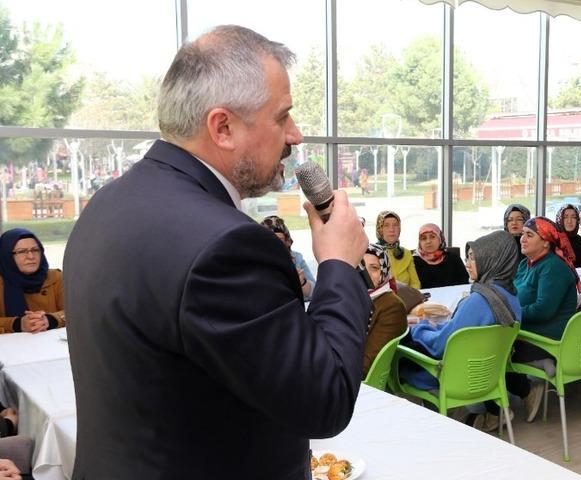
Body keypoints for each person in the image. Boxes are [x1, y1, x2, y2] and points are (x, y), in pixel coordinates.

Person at [63, 26, 372, 479]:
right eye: (282, 117)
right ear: (223, 127)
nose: (296, 135)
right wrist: (339, 265)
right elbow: (324, 398)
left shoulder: (109, 204)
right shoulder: (225, 247)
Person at [402, 230, 521, 431]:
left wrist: (420, 327)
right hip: (489, 376)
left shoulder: (479, 300)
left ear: (492, 260)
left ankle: (434, 421)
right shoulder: (512, 298)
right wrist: (437, 327)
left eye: (474, 258)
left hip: (454, 377)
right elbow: (461, 334)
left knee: (401, 355)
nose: (467, 263)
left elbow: (442, 345)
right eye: (468, 257)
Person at [512, 217, 581, 423]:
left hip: (548, 336)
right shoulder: (527, 263)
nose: (522, 239)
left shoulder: (553, 267)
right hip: (530, 330)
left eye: (529, 235)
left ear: (546, 242)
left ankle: (523, 392)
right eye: (523, 234)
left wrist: (509, 312)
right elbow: (510, 292)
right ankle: (535, 368)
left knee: (493, 347)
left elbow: (543, 310)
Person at [0, 229, 65, 334]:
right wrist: (17, 323)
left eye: (35, 250)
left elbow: (75, 312)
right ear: (6, 255)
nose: (31, 256)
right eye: (21, 251)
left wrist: (49, 320)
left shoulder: (56, 277)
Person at [361, 245, 408, 375]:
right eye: (362, 267)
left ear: (384, 271)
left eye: (374, 268)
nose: (367, 273)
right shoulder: (353, 297)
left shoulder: (392, 306)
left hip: (358, 380)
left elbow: (368, 364)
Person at [261, 215, 315, 300]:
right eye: (268, 241)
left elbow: (315, 293)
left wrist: (302, 282)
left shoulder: (297, 259)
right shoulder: (258, 261)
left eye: (279, 241)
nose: (274, 246)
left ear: (288, 241)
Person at [412, 223, 469, 288]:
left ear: (440, 239)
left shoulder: (453, 258)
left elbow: (465, 283)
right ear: (420, 242)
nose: (428, 241)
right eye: (424, 238)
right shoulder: (413, 261)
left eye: (432, 237)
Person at [375, 211, 421, 289]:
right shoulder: (372, 253)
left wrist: (411, 298)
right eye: (386, 225)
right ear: (380, 229)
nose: (392, 229)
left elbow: (415, 283)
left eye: (395, 225)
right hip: (382, 299)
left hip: (406, 298)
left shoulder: (406, 253)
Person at [555, 204, 581, 268]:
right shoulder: (554, 240)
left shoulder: (578, 239)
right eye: (565, 217)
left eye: (573, 217)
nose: (569, 221)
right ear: (560, 219)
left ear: (577, 220)